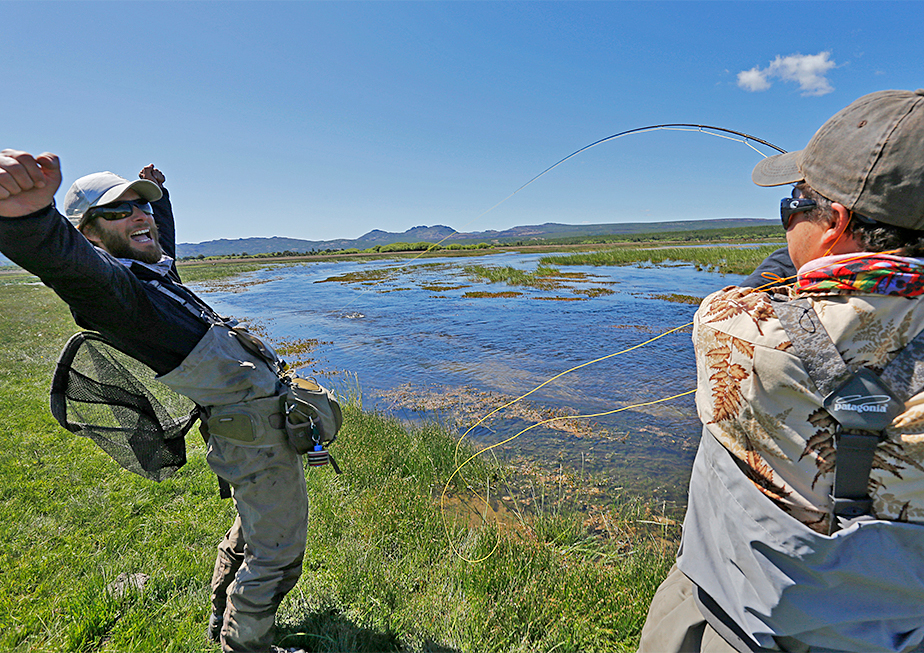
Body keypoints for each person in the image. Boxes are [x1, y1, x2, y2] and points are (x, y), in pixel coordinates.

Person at [0, 151, 320, 653]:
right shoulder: (116, 293)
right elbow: (63, 261)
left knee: (251, 528)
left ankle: (223, 614)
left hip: (249, 432)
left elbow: (155, 243)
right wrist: (26, 218)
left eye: (140, 206)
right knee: (277, 551)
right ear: (87, 234)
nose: (139, 215)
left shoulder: (154, 274)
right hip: (253, 438)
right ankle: (246, 644)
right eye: (118, 211)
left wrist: (161, 200)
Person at [639, 89, 924, 652]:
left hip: (731, 625)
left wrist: (804, 254)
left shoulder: (730, 326)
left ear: (835, 223)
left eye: (795, 203)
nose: (789, 215)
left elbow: (765, 291)